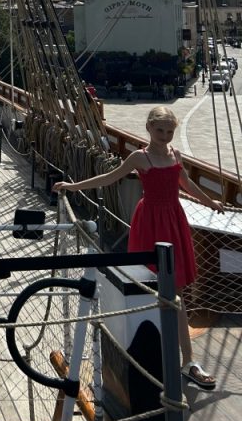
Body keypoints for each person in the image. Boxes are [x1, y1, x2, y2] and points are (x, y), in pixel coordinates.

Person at [53, 106, 224, 391]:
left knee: (176, 291)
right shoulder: (138, 157)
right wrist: (73, 186)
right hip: (151, 224)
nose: (165, 136)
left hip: (174, 221)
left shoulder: (175, 155)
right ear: (149, 128)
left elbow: (187, 184)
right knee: (149, 287)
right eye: (160, 131)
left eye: (170, 131)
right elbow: (109, 178)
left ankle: (188, 361)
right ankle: (151, 351)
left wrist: (211, 203)